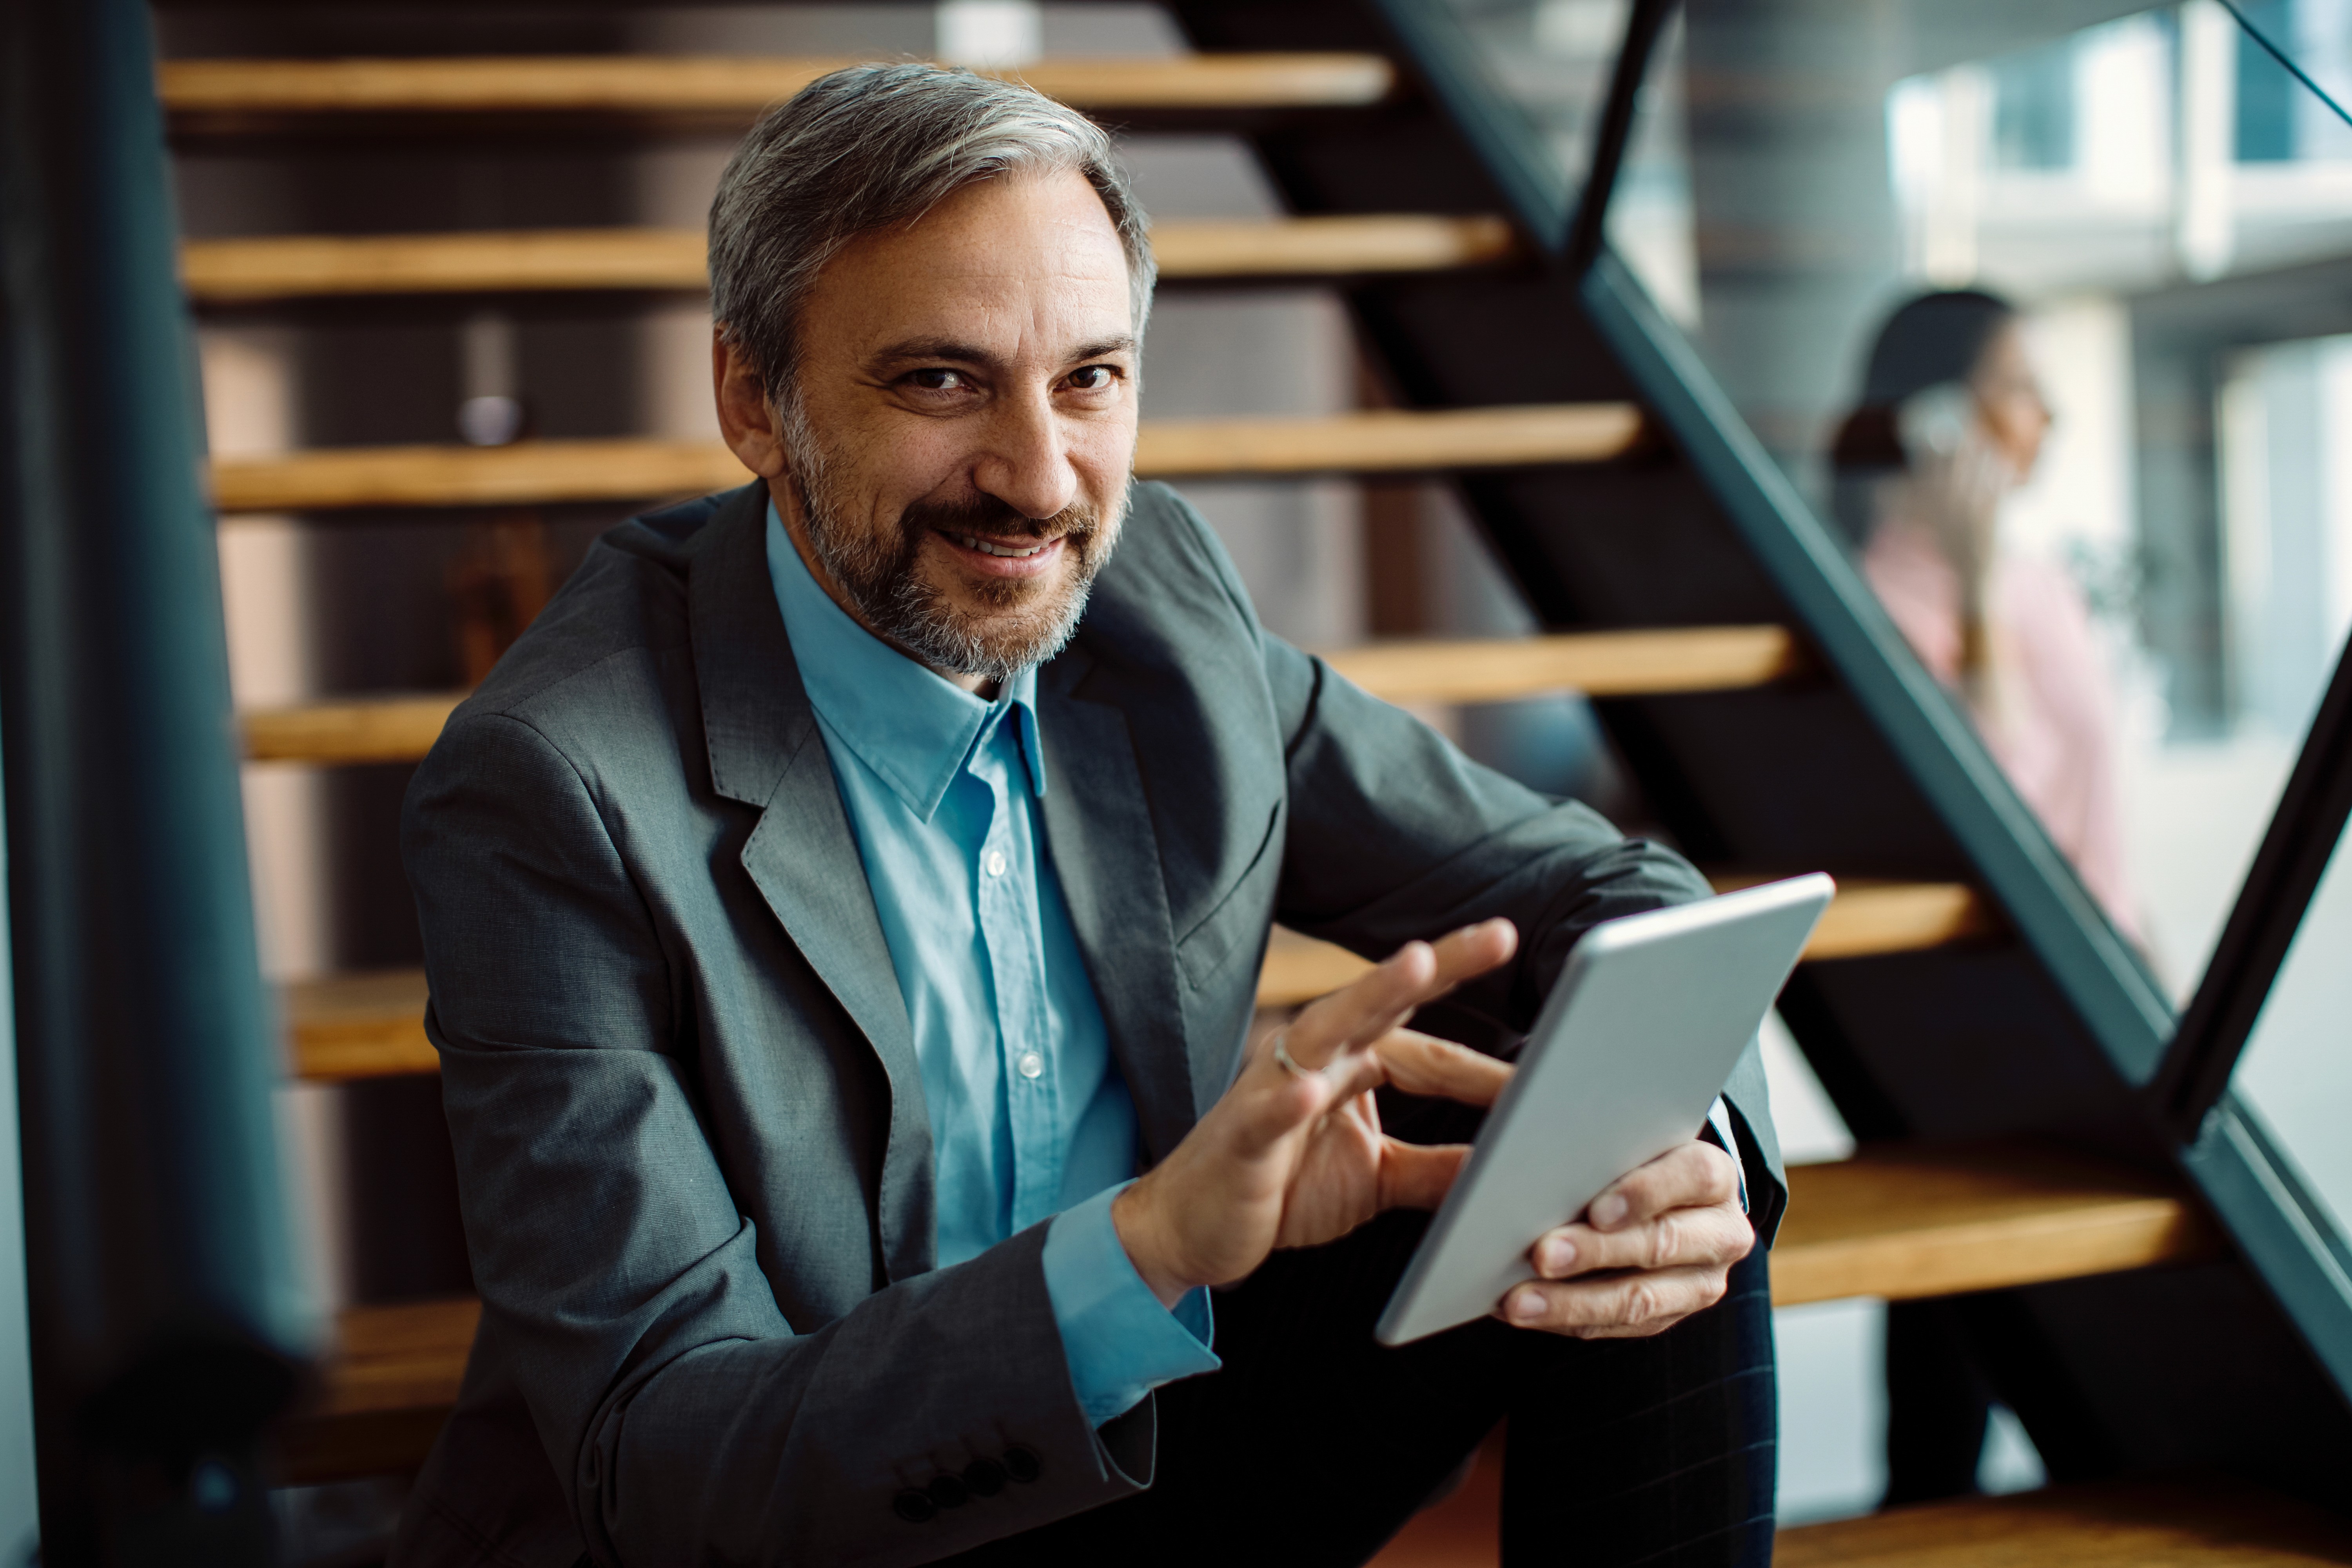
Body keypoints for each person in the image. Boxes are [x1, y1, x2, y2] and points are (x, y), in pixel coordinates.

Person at [393, 63, 1784, 1568]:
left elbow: (1607, 886)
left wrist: (1687, 1141)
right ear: (753, 401)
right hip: (806, 1514)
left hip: (1132, 1433)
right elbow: (668, 1454)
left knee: (1634, 1156)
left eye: (1089, 379)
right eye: (941, 381)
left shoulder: (1152, 602)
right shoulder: (555, 783)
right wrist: (1149, 1247)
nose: (1040, 481)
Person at [1829, 291, 2136, 1508]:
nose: (2048, 415)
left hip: (2102, 984)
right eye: (2019, 388)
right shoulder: (1876, 600)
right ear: (1935, 419)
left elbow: (2100, 802)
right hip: (1986, 1019)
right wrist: (1970, 596)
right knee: (1956, 1357)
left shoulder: (2041, 578)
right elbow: (1993, 814)